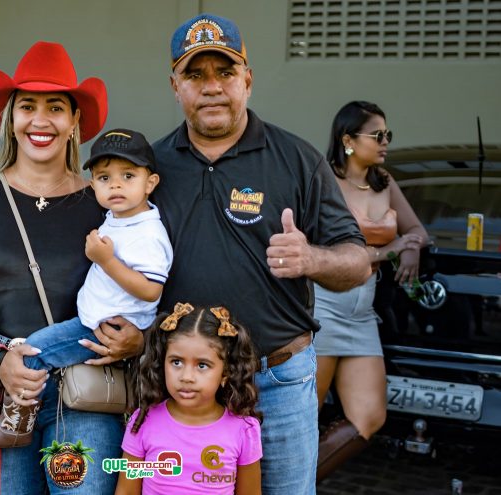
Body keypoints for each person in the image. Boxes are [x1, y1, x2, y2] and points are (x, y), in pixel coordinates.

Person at [151, 13, 372, 494]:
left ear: (247, 80)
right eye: (195, 74)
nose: (211, 87)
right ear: (175, 86)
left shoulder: (296, 159)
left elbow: (357, 263)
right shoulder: (151, 168)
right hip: (182, 385)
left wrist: (310, 260)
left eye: (224, 72)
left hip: (278, 382)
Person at [0, 41, 144, 495]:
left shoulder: (105, 202)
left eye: (55, 107)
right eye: (27, 106)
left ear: (74, 123)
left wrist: (137, 337)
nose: (41, 120)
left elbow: (147, 281)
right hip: (2, 394)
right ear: (11, 118)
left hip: (85, 391)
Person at [0, 128, 172, 450]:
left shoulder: (148, 233)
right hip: (96, 319)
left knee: (34, 350)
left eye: (128, 176)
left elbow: (150, 291)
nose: (115, 185)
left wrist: (104, 260)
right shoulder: (120, 217)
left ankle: (15, 424)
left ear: (151, 183)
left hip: (102, 327)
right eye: (104, 178)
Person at [314, 101, 428, 481]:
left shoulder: (384, 182)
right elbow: (325, 248)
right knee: (303, 414)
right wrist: (389, 250)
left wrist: (409, 246)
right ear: (347, 140)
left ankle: (289, 486)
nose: (385, 143)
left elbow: (418, 231)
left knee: (368, 416)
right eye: (377, 135)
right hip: (324, 306)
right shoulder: (324, 181)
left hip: (363, 313)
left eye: (388, 135)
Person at [115, 303, 262, 495]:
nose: (186, 376)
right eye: (176, 362)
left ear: (226, 372)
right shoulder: (142, 421)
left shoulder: (244, 430)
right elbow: (126, 491)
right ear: (162, 363)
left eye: (202, 365)